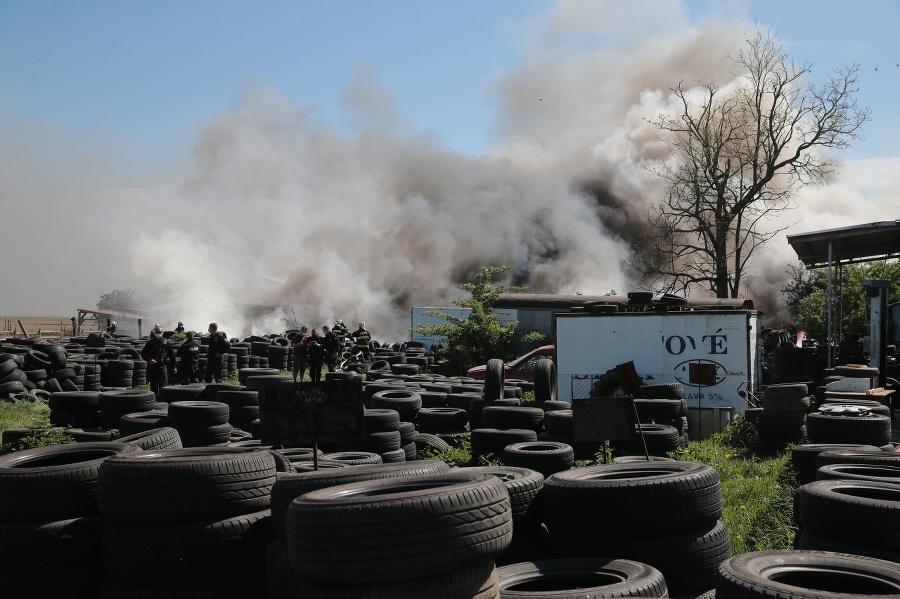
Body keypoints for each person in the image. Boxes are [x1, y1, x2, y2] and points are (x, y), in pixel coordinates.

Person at [141, 323, 177, 397]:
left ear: (162, 333)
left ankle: (162, 401)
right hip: (153, 367)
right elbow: (143, 354)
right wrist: (149, 360)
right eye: (157, 332)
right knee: (153, 386)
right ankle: (153, 400)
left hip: (162, 367)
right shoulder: (150, 343)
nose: (158, 334)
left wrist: (174, 366)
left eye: (160, 332)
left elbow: (172, 356)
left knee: (163, 386)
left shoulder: (167, 343)